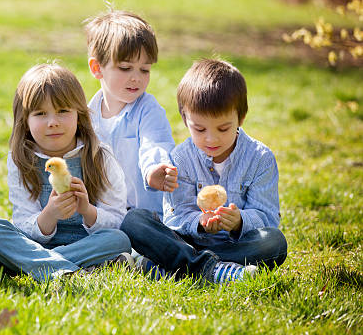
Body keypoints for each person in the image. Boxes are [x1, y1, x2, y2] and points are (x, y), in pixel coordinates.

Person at [121, 58, 288, 284]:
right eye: (199, 129)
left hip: (235, 244)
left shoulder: (260, 158)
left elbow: (267, 216)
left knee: (274, 242)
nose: (211, 139)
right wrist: (200, 222)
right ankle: (214, 270)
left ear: (241, 117)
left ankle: (175, 267)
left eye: (223, 128)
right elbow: (175, 216)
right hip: (189, 241)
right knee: (134, 221)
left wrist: (239, 221)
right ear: (185, 119)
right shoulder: (181, 158)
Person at [0, 63, 132, 280]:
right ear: (25, 120)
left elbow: (117, 218)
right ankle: (68, 267)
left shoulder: (100, 155)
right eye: (41, 113)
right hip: (35, 242)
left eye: (62, 111)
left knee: (119, 239)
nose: (53, 122)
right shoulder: (21, 159)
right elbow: (22, 221)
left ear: (79, 114)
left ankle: (24, 264)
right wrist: (49, 214)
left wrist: (87, 210)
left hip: (88, 243)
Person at [85, 8, 177, 217]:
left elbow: (155, 142)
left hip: (145, 214)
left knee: (135, 223)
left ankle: (178, 249)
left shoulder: (148, 110)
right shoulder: (87, 117)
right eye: (126, 68)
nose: (136, 77)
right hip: (104, 216)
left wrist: (154, 169)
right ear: (97, 68)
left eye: (144, 70)